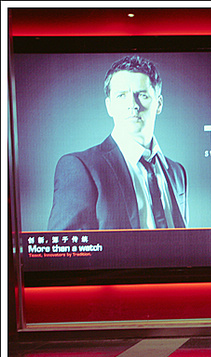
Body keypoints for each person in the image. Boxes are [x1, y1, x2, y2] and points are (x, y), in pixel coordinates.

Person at [48, 55, 188, 231]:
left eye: (142, 95)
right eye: (122, 96)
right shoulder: (80, 167)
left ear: (159, 104)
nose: (133, 105)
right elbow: (65, 245)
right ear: (109, 106)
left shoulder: (177, 172)